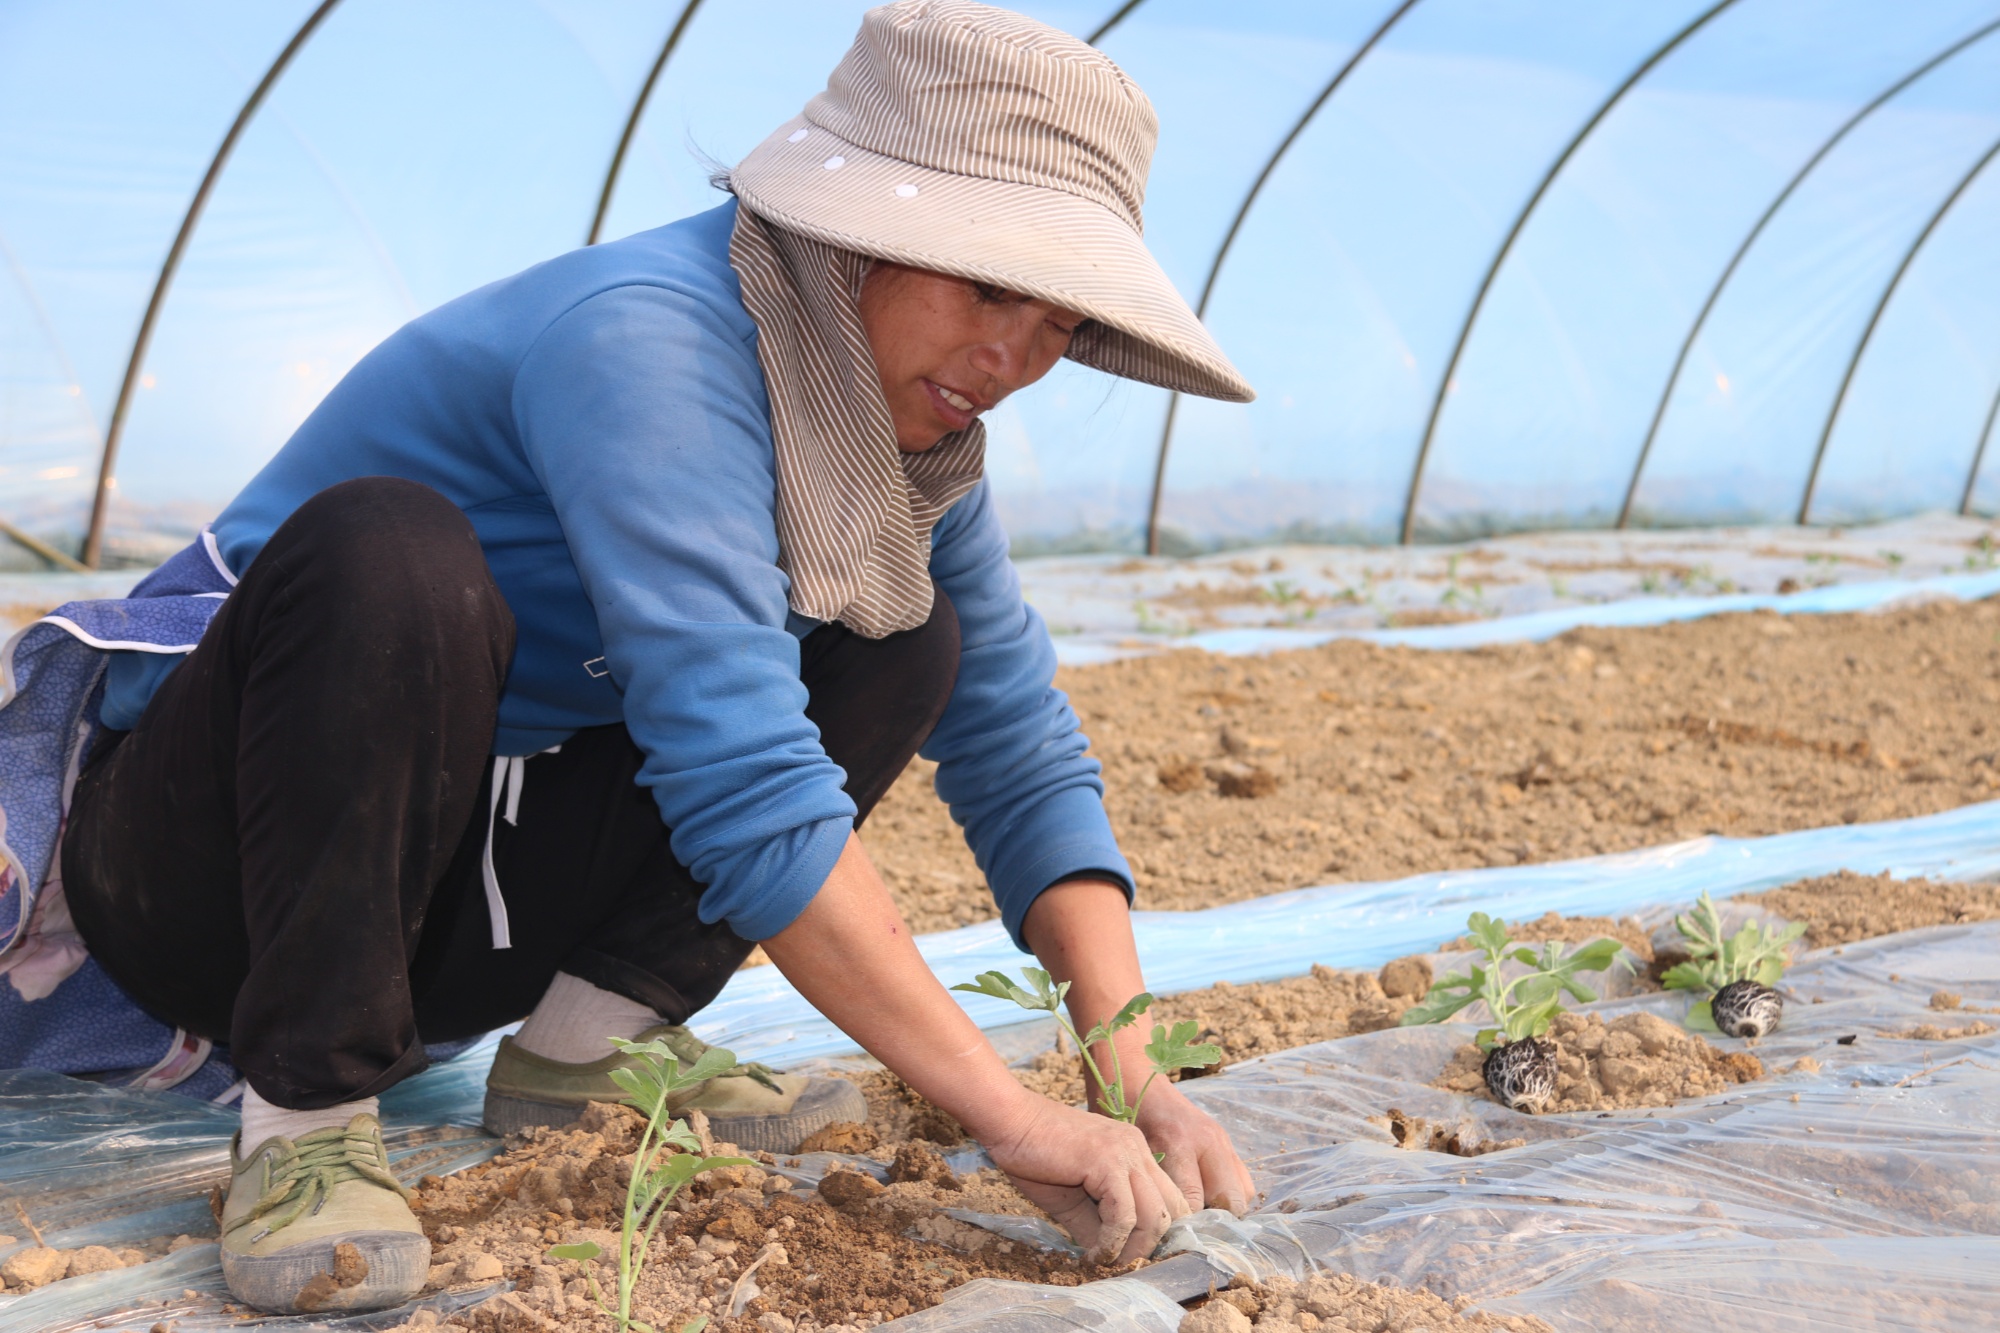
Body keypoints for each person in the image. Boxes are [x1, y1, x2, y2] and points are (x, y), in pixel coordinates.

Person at [0, 0, 1257, 1314]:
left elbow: (1015, 741)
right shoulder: (647, 341)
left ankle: (584, 1053)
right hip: (218, 885)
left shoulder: (903, 444)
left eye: (1058, 323)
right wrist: (1010, 1114)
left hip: (438, 905)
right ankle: (306, 1120)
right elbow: (747, 779)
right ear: (859, 231)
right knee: (394, 557)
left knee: (911, 628)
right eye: (985, 282)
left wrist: (1132, 1067)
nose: (1011, 357)